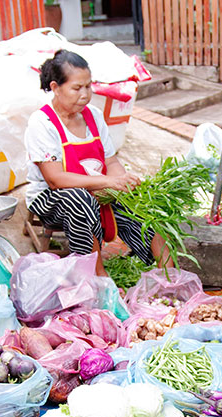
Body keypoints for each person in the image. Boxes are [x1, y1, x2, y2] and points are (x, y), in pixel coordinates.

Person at [24, 50, 173, 276]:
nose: (85, 94)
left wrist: (122, 183)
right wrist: (107, 181)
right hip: (51, 198)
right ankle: (98, 278)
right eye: (76, 88)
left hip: (95, 189)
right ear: (55, 87)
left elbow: (110, 160)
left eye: (88, 86)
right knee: (80, 200)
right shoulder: (42, 123)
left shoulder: (93, 115)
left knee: (138, 199)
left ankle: (167, 272)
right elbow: (55, 179)